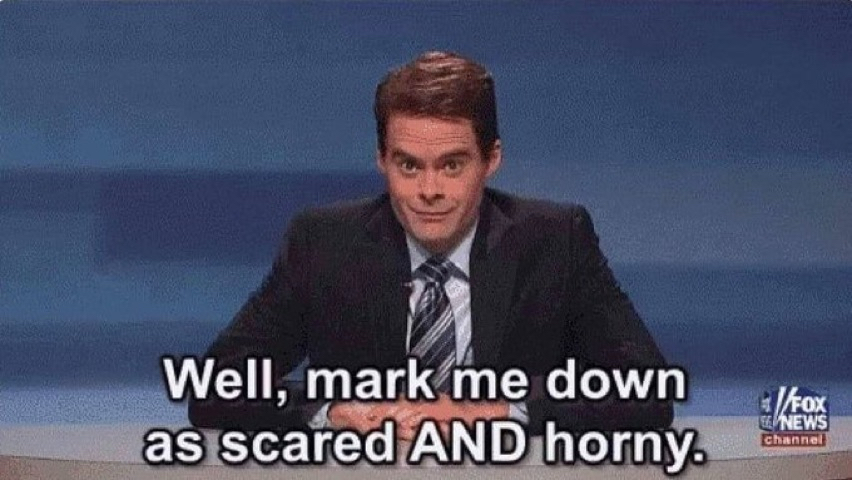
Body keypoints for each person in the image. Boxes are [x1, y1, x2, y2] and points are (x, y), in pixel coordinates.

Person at [188, 51, 673, 437]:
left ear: (491, 160)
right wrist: (331, 410)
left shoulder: (555, 241)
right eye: (409, 165)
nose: (429, 190)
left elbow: (647, 390)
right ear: (381, 160)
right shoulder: (323, 244)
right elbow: (215, 387)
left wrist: (495, 410)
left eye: (452, 165)